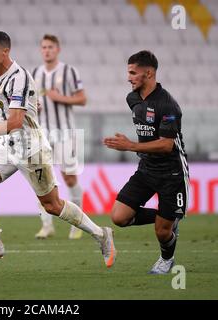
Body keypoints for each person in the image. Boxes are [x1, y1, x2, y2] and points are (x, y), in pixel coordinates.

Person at [0, 31, 116, 269]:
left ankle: (101, 234)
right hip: (9, 144)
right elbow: (16, 110)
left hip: (31, 148)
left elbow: (15, 122)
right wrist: (31, 104)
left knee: (52, 205)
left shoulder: (19, 77)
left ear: (5, 51)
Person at [104, 50, 189, 274]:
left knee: (162, 233)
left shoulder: (168, 105)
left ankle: (166, 259)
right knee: (119, 217)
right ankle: (169, 220)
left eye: (133, 73)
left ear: (149, 73)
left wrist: (130, 145)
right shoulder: (132, 99)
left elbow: (166, 145)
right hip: (146, 170)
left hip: (172, 173)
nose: (128, 77)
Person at [32, 34, 87, 240]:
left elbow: (83, 99)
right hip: (42, 135)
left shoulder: (69, 71)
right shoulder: (35, 73)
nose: (47, 50)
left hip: (65, 133)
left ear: (58, 49)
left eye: (50, 47)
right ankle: (46, 226)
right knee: (40, 178)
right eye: (44, 47)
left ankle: (77, 224)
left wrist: (59, 98)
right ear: (41, 50)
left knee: (70, 178)